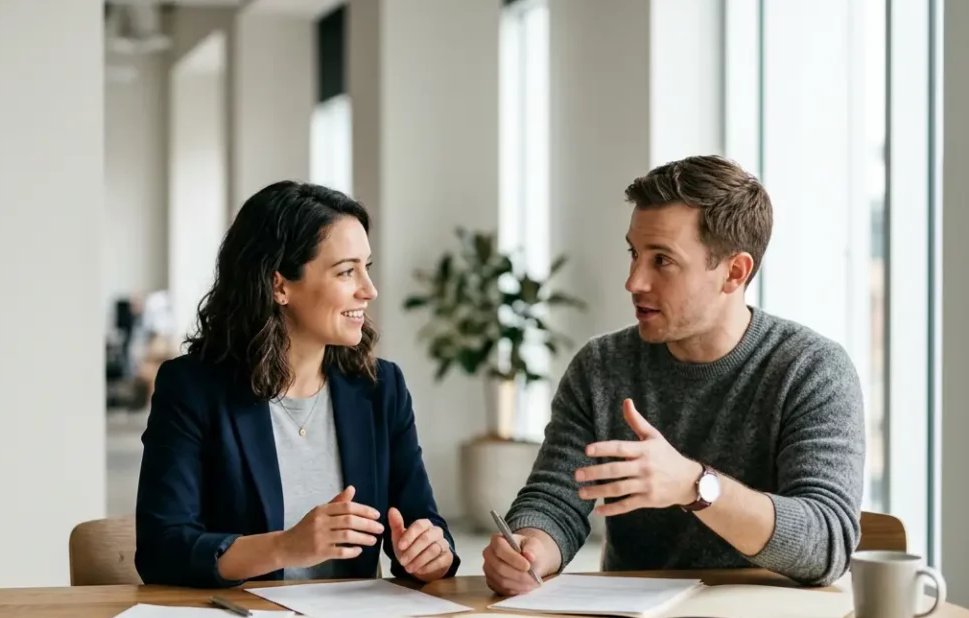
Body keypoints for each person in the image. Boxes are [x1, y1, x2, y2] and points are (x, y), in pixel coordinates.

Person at [483, 155, 865, 595]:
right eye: (634, 253)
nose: (634, 281)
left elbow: (826, 545)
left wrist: (694, 485)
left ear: (734, 272)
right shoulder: (602, 366)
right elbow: (555, 499)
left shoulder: (811, 369)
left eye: (662, 260)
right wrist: (531, 547)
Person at [135, 180, 460, 588]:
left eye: (366, 268)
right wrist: (286, 546)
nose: (369, 289)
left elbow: (420, 521)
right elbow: (161, 550)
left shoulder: (381, 388)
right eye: (346, 271)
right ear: (279, 285)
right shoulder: (192, 389)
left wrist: (431, 551)